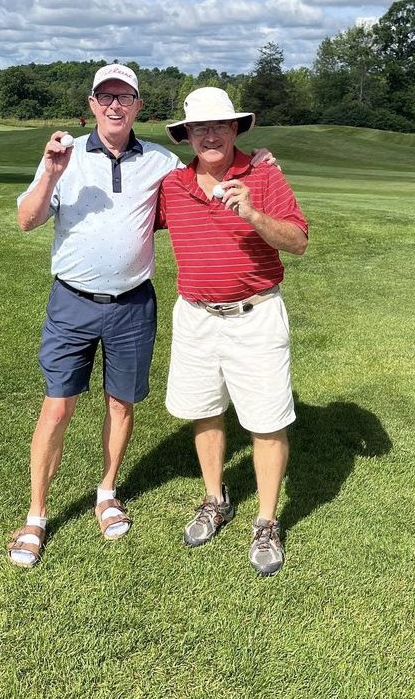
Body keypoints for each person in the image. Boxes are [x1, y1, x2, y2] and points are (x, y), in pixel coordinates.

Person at [8, 67, 273, 568]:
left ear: (137, 106)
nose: (115, 105)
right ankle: (37, 515)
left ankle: (107, 493)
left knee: (121, 404)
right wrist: (51, 173)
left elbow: (207, 176)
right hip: (72, 301)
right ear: (93, 104)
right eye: (105, 96)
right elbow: (27, 220)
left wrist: (257, 163)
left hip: (132, 303)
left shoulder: (160, 161)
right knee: (57, 407)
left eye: (124, 97)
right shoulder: (64, 155)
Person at [157, 87, 308, 576]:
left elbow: (298, 241)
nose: (210, 135)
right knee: (205, 411)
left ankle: (266, 521)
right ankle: (214, 499)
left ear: (235, 128)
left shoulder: (264, 175)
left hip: (255, 315)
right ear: (187, 135)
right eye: (200, 128)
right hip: (196, 317)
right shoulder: (173, 185)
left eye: (219, 125)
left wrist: (253, 214)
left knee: (266, 421)